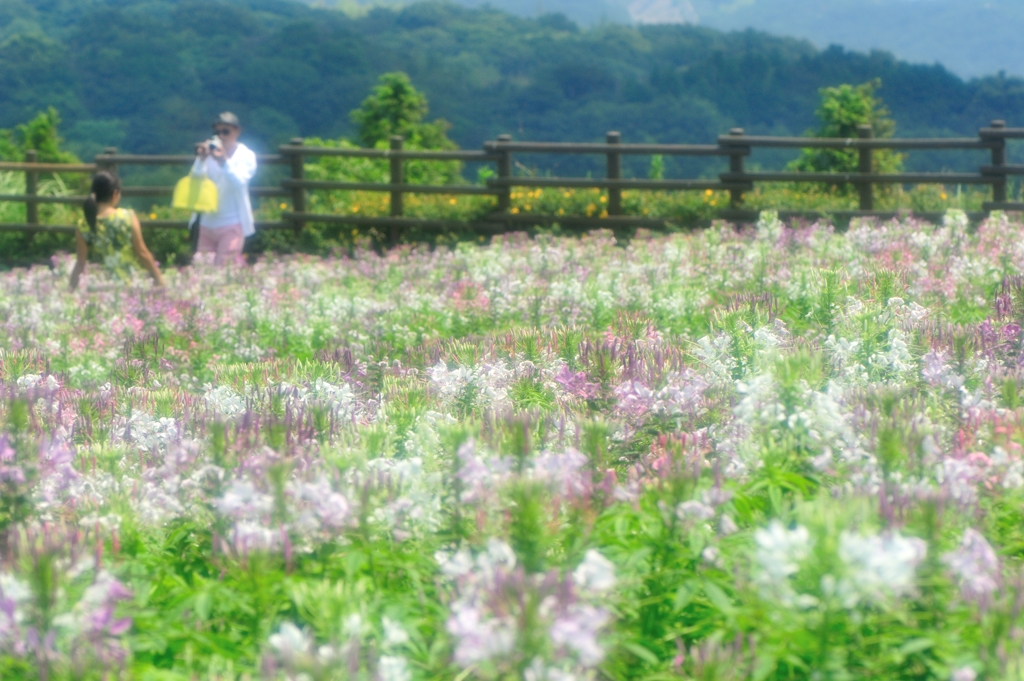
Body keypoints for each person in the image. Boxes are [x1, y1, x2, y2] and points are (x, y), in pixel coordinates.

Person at [70, 171, 164, 290]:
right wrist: (158, 277)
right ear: (115, 193)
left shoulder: (83, 224)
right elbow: (142, 252)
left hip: (99, 287)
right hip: (129, 284)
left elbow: (80, 263)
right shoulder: (127, 217)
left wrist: (71, 288)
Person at [191, 112, 257, 265]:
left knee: (226, 269)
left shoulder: (246, 156)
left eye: (226, 131)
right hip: (206, 223)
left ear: (237, 131)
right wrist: (201, 160)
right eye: (217, 132)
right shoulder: (209, 153)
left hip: (232, 223)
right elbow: (196, 180)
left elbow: (240, 183)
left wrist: (224, 161)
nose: (221, 136)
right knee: (202, 270)